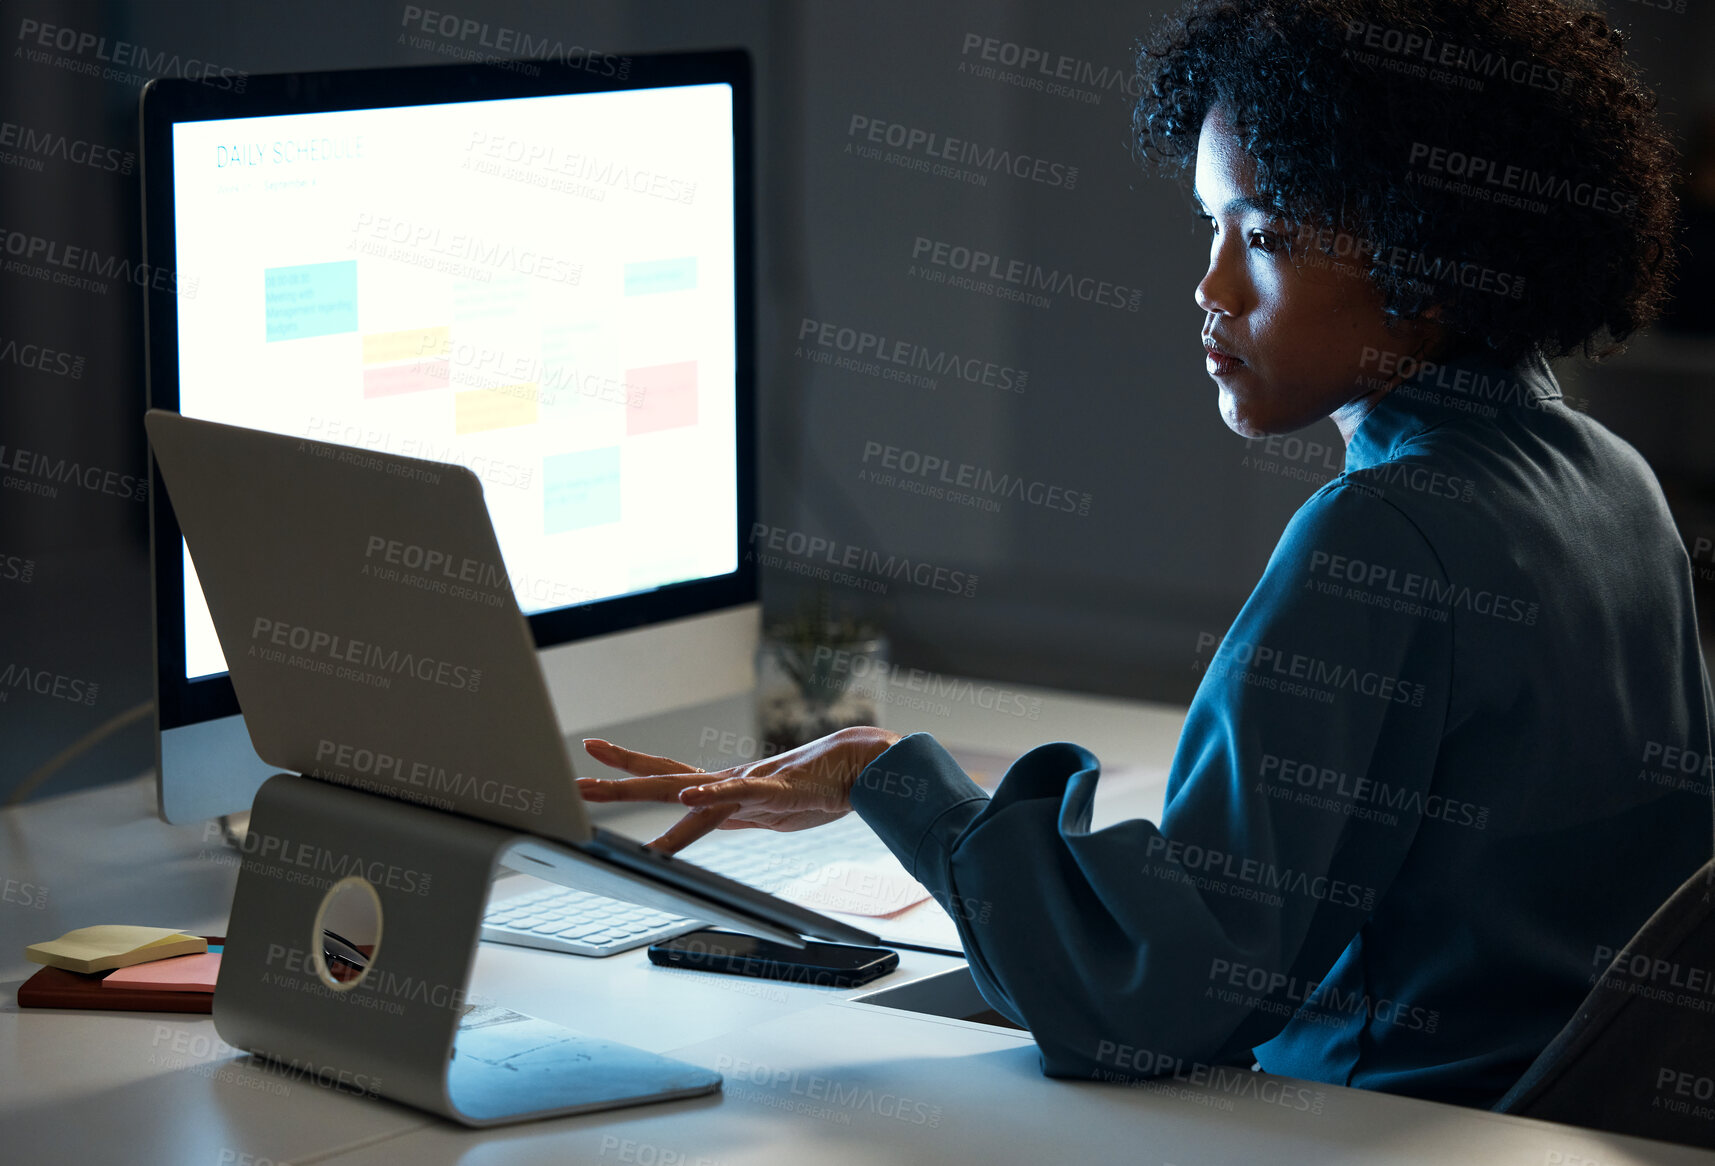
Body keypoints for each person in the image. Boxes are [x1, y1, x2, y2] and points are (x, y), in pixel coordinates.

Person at [578, 0, 1714, 1109]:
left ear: (1431, 258)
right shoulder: (1613, 477)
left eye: (1263, 237)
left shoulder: (1382, 534)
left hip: (1398, 1122)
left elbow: (1152, 996)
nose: (1209, 287)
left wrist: (890, 778)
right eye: (1208, 227)